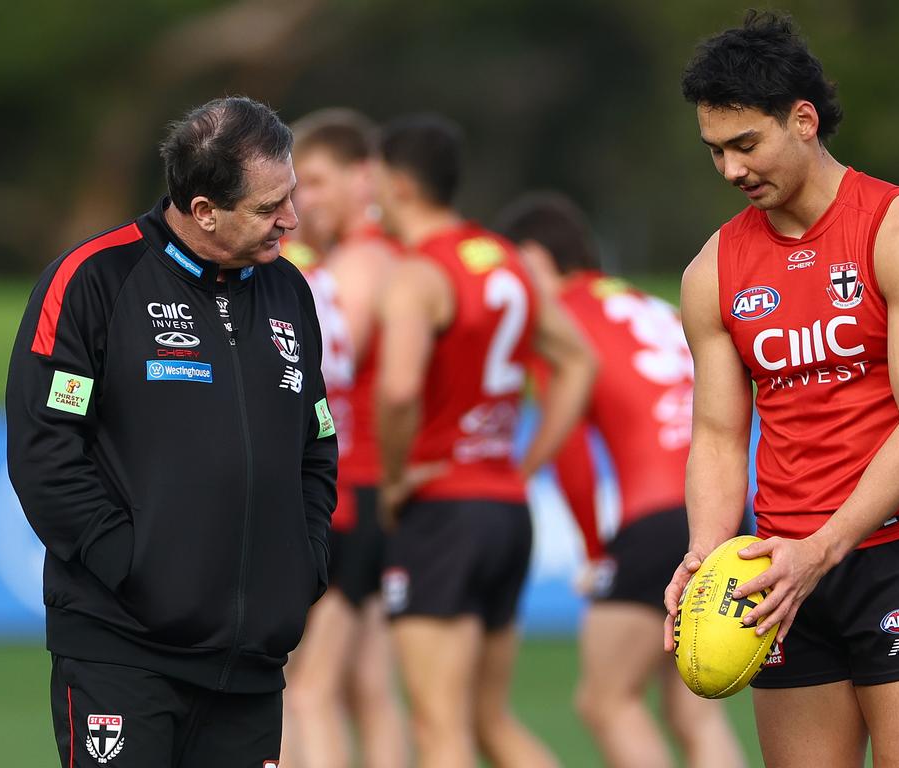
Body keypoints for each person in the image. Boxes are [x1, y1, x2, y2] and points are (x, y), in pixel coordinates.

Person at [662, 12, 899, 767]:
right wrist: (706, 552)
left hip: (898, 551)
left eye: (745, 145)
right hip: (774, 574)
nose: (731, 171)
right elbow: (719, 435)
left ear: (803, 122)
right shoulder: (713, 270)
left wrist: (822, 549)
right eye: (715, 152)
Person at [6, 96, 337, 767]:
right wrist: (133, 567)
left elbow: (316, 442)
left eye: (291, 196)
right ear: (204, 210)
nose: (292, 220)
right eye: (270, 205)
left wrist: (300, 563)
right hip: (120, 654)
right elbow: (44, 449)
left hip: (250, 668)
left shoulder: (289, 293)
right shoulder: (93, 280)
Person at [374, 114, 596, 768]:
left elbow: (396, 390)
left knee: (440, 730)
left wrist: (394, 479)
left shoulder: (417, 274)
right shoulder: (504, 257)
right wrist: (524, 462)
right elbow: (579, 362)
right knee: (487, 721)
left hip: (442, 508)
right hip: (504, 508)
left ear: (399, 184)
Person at [497, 192, 745, 768]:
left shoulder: (557, 322)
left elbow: (570, 449)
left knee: (606, 701)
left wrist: (593, 550)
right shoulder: (647, 303)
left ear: (534, 258)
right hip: (725, 510)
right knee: (693, 710)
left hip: (655, 520)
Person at [280, 108, 408, 768]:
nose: (305, 201)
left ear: (365, 178)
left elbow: (325, 361)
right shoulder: (377, 258)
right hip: (366, 491)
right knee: (367, 689)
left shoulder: (360, 262)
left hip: (346, 491)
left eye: (318, 182)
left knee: (306, 693)